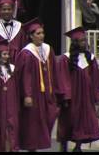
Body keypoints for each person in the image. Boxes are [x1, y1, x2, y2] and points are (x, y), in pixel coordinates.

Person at [15, 18, 59, 151]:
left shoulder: (48, 49)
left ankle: (39, 144)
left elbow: (54, 71)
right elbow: (25, 76)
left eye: (42, 33)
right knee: (32, 122)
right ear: (31, 36)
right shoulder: (27, 53)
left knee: (49, 117)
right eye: (38, 33)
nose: (41, 36)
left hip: (47, 93)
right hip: (33, 94)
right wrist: (27, 95)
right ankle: (31, 147)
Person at [56, 27, 99, 152]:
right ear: (75, 43)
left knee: (83, 121)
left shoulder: (90, 59)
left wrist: (96, 97)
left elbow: (95, 79)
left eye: (84, 40)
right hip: (72, 97)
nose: (84, 43)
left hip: (86, 97)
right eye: (81, 41)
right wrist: (65, 96)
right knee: (69, 120)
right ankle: (64, 145)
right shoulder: (66, 59)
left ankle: (78, 146)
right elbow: (62, 78)